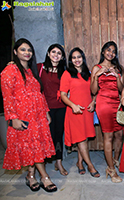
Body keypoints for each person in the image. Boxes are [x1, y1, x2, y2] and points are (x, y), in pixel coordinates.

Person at [1, 38, 57, 192]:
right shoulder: (10, 71)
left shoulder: (31, 72)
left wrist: (46, 112)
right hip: (23, 117)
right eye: (23, 49)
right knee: (33, 146)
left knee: (35, 146)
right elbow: (7, 96)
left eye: (29, 50)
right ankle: (44, 176)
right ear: (15, 52)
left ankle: (30, 175)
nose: (27, 53)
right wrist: (13, 119)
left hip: (38, 116)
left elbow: (39, 93)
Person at [60, 47, 100, 178]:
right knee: (81, 139)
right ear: (70, 60)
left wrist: (93, 102)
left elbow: (94, 91)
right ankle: (90, 165)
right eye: (74, 57)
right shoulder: (67, 74)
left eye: (79, 57)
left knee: (84, 138)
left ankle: (79, 162)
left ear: (83, 58)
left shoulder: (87, 74)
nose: (77, 60)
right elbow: (63, 95)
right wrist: (72, 106)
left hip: (87, 111)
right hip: (75, 111)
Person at [90, 41, 124, 183]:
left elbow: (121, 89)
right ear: (103, 51)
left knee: (120, 134)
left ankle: (115, 160)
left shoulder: (117, 68)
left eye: (113, 51)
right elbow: (93, 90)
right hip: (104, 103)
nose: (111, 53)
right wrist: (97, 75)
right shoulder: (96, 68)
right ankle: (111, 169)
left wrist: (117, 76)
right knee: (108, 136)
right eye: (108, 50)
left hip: (117, 103)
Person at [38, 44, 68, 176]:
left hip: (61, 107)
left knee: (58, 135)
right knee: (45, 136)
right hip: (44, 108)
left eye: (59, 53)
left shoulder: (64, 70)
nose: (56, 55)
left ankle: (59, 162)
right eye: (53, 52)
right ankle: (42, 163)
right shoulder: (39, 68)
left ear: (62, 57)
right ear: (49, 53)